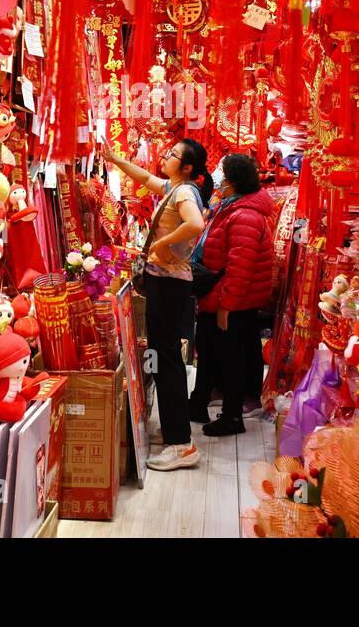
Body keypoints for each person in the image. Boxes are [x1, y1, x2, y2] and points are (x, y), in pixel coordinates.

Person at [103, 138, 211, 470]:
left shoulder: (183, 193)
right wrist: (114, 159)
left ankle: (181, 444)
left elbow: (196, 224)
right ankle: (173, 431)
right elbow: (145, 179)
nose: (166, 155)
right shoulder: (173, 186)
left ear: (188, 167)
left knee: (167, 361)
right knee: (163, 358)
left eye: (174, 155)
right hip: (165, 284)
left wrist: (163, 241)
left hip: (169, 285)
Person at [188, 153, 274, 436]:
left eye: (223, 176)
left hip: (232, 300)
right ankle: (202, 402)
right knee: (213, 350)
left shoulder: (244, 215)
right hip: (221, 294)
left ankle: (232, 416)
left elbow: (241, 267)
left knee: (230, 357)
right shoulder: (232, 207)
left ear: (234, 181)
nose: (219, 180)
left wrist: (226, 305)